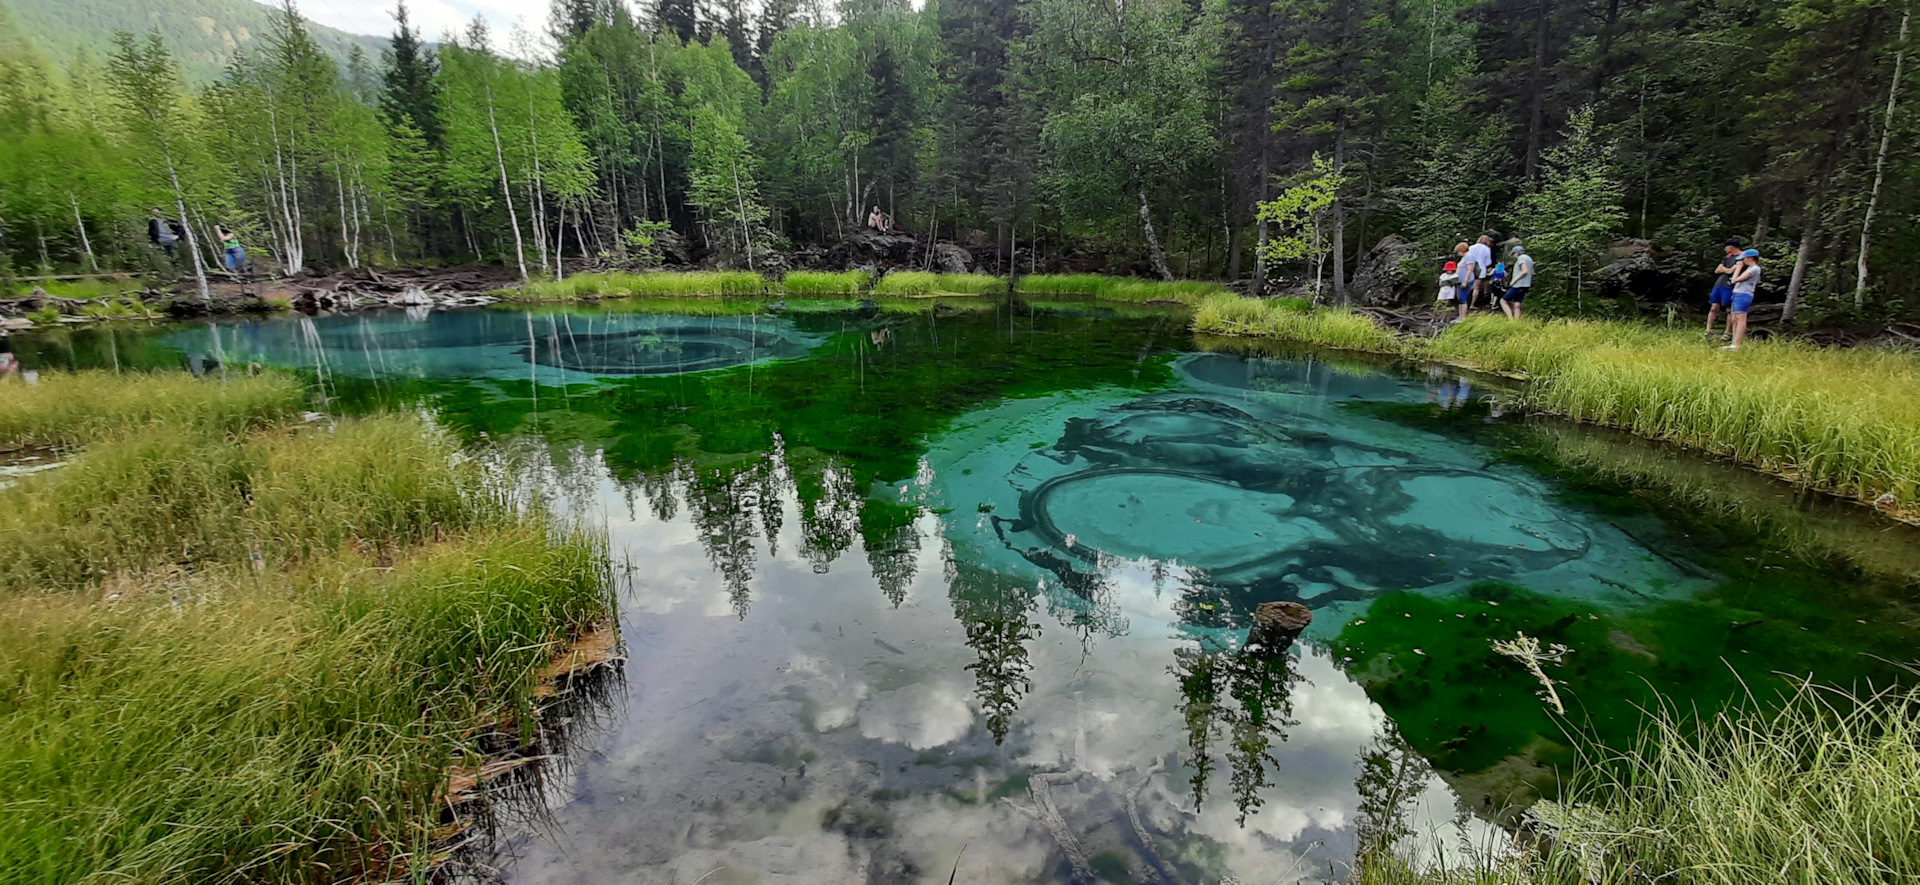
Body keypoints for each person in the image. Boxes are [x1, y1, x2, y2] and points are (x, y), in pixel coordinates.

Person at [1705, 238, 1742, 337]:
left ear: (1731, 247)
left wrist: (1724, 269)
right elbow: (1717, 270)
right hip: (1719, 284)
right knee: (1714, 307)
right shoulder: (1727, 257)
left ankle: (1727, 332)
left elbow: (1731, 271)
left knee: (1729, 309)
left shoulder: (1741, 257)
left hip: (1729, 285)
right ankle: (1708, 330)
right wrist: (1727, 269)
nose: (1725, 249)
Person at [1726, 249, 1761, 350]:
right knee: (1734, 319)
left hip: (1743, 295)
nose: (1743, 261)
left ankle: (1736, 344)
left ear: (1750, 258)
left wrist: (1738, 268)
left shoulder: (1754, 269)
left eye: (1744, 259)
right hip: (1737, 294)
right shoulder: (1750, 268)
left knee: (1740, 319)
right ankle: (1733, 343)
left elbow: (1734, 280)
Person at [1503, 245, 1534, 319]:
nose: (1514, 256)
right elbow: (1532, 272)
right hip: (1526, 284)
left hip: (1518, 284)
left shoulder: (1521, 258)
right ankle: (1517, 321)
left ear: (1517, 253)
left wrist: (1514, 280)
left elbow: (1525, 271)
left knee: (1503, 301)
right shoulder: (1529, 259)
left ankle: (1510, 319)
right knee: (1517, 303)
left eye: (1514, 254)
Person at [1451, 242, 1474, 322]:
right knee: (1460, 298)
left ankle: (1463, 317)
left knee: (1463, 298)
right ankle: (1460, 316)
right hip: (1460, 281)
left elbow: (1470, 270)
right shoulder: (1465, 257)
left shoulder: (1469, 257)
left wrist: (1465, 281)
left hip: (1465, 281)